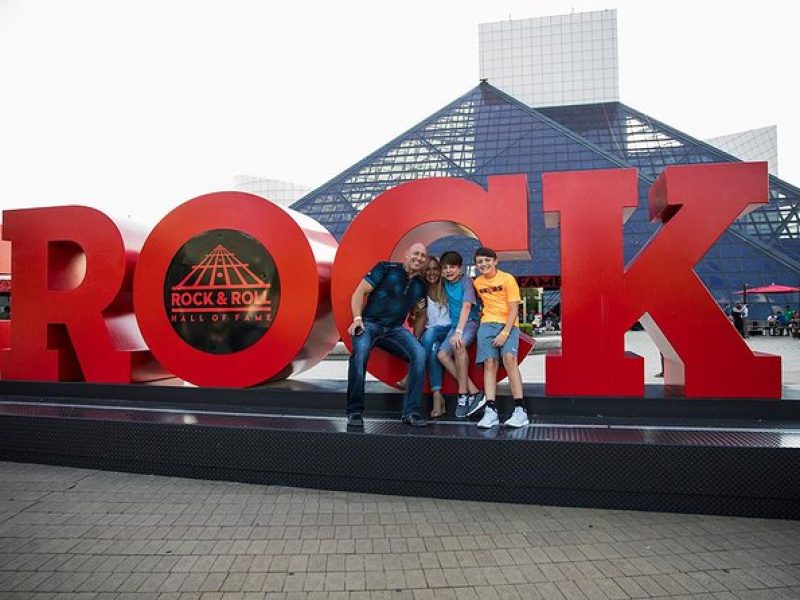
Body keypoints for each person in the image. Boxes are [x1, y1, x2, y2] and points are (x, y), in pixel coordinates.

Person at [346, 242, 429, 428]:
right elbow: (359, 292)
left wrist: (415, 337)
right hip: (369, 324)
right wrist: (357, 318)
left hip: (395, 330)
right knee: (359, 356)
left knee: (420, 354)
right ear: (407, 254)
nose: (419, 258)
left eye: (423, 256)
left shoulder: (420, 285)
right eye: (416, 253)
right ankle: (354, 411)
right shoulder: (385, 268)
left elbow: (420, 313)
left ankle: (411, 412)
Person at [471, 247, 528, 429]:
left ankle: (520, 410)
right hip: (487, 324)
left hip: (508, 324)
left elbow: (513, 309)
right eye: (480, 262)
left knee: (509, 359)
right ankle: (491, 411)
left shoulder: (507, 278)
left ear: (495, 261)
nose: (483, 264)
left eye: (487, 260)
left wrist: (505, 333)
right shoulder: (477, 283)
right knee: (489, 363)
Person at [435, 251, 484, 418]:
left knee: (459, 344)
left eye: (452, 267)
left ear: (460, 268)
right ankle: (474, 391)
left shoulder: (466, 282)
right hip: (455, 326)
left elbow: (467, 307)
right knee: (441, 354)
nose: (448, 270)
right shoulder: (444, 283)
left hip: (469, 323)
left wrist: (458, 332)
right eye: (445, 267)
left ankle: (462, 394)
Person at [410, 256, 451, 418]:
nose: (432, 272)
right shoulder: (421, 291)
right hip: (431, 335)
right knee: (433, 350)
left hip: (448, 331)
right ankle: (437, 398)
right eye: (428, 269)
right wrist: (416, 310)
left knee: (431, 332)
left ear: (440, 271)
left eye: (435, 269)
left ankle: (411, 373)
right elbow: (415, 318)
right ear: (423, 272)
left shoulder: (447, 287)